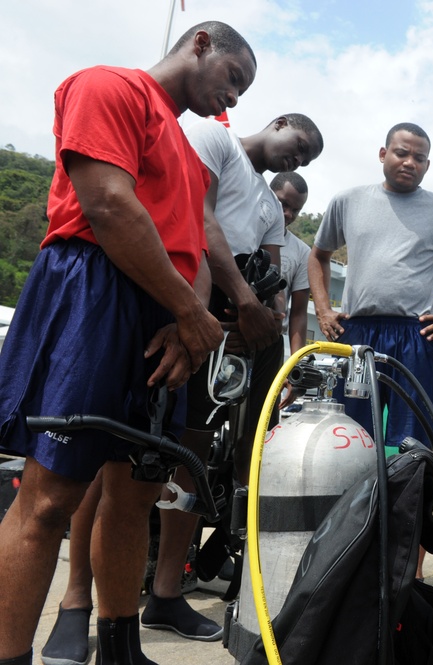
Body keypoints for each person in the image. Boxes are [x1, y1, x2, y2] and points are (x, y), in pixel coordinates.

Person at [0, 21, 253, 665]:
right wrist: (187, 311)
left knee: (137, 491)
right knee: (51, 495)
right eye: (232, 78)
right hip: (93, 290)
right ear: (200, 43)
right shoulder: (107, 86)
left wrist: (188, 321)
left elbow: (194, 246)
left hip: (162, 319)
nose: (231, 102)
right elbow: (109, 206)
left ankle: (121, 646)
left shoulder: (189, 157)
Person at [39, 114, 324, 657]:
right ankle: (75, 601)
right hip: (167, 307)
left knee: (187, 457)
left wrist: (252, 316)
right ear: (279, 122)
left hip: (216, 333)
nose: (297, 158)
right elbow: (200, 218)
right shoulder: (215, 139)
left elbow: (264, 276)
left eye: (308, 160)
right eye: (299, 144)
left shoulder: (269, 208)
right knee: (108, 457)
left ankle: (167, 592)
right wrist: (241, 301)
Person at [308, 122, 433, 446]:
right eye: (401, 153)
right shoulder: (348, 200)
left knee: (415, 444)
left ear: (427, 165)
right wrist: (324, 310)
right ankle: (358, 499)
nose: (410, 162)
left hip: (417, 336)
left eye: (420, 158)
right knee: (350, 438)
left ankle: (412, 499)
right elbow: (318, 256)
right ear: (383, 154)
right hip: (358, 336)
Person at [272, 172, 312, 361]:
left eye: (296, 210)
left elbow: (298, 314)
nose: (288, 214)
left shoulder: (303, 252)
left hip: (271, 343)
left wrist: (296, 365)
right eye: (283, 204)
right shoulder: (245, 232)